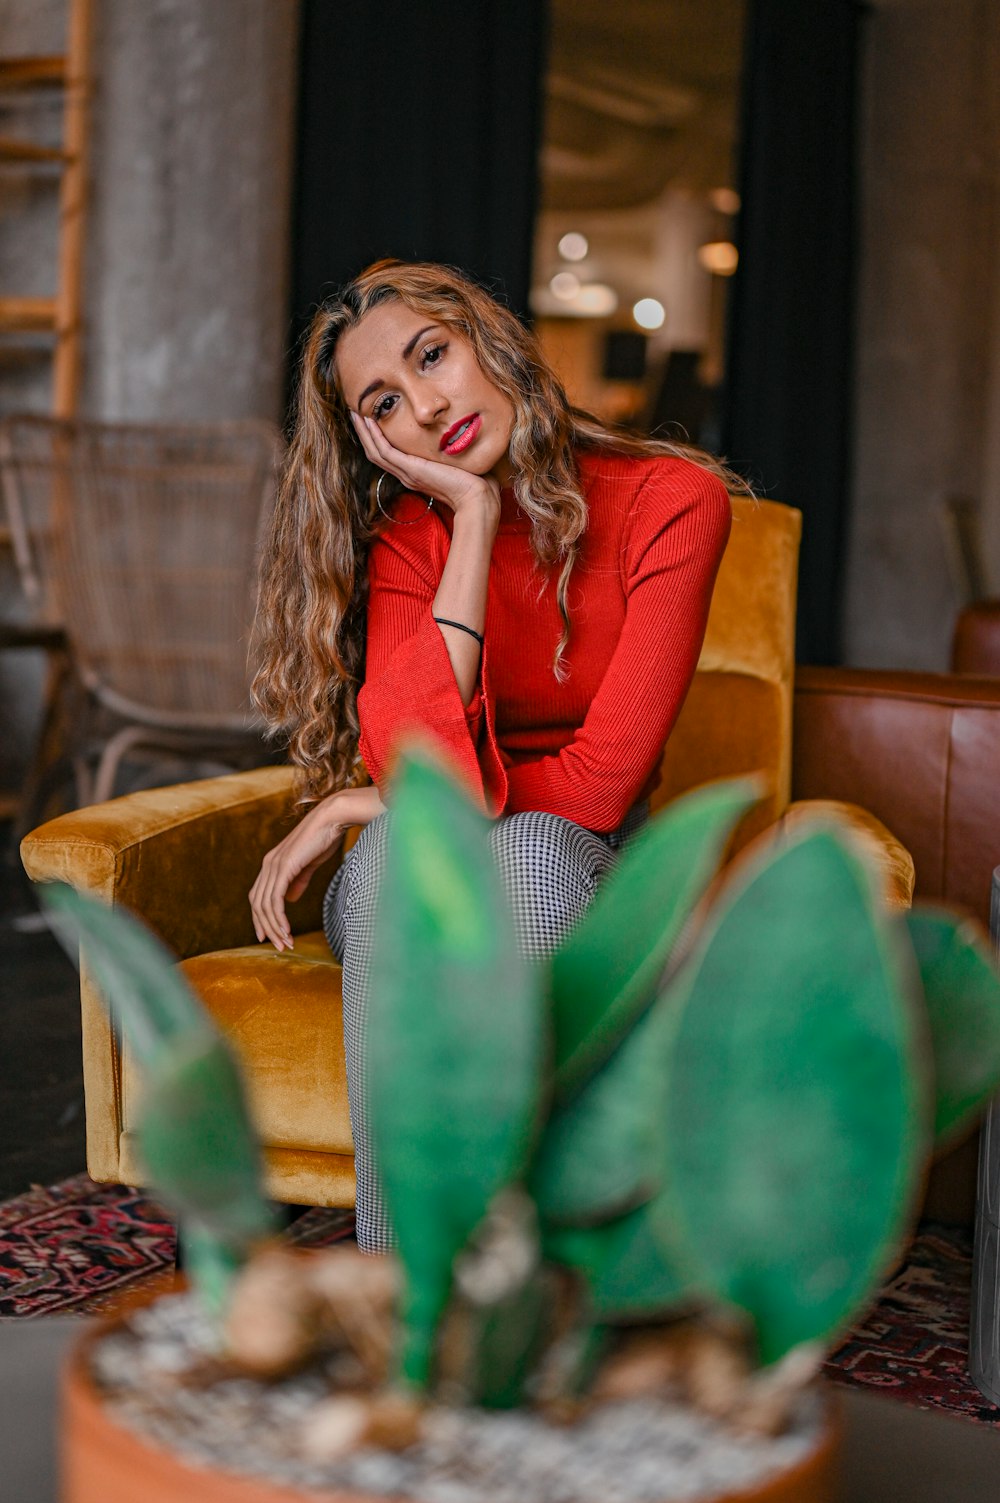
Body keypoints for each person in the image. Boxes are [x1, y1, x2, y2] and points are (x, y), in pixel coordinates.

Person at [250, 259, 747, 1252]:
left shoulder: (672, 502)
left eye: (433, 354)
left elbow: (600, 790)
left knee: (508, 857)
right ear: (371, 440)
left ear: (489, 340)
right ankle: (411, 1293)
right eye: (385, 401)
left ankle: (485, 1282)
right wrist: (469, 522)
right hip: (416, 879)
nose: (428, 407)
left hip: (577, 869)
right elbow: (427, 777)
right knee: (401, 860)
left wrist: (383, 803)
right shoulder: (408, 540)